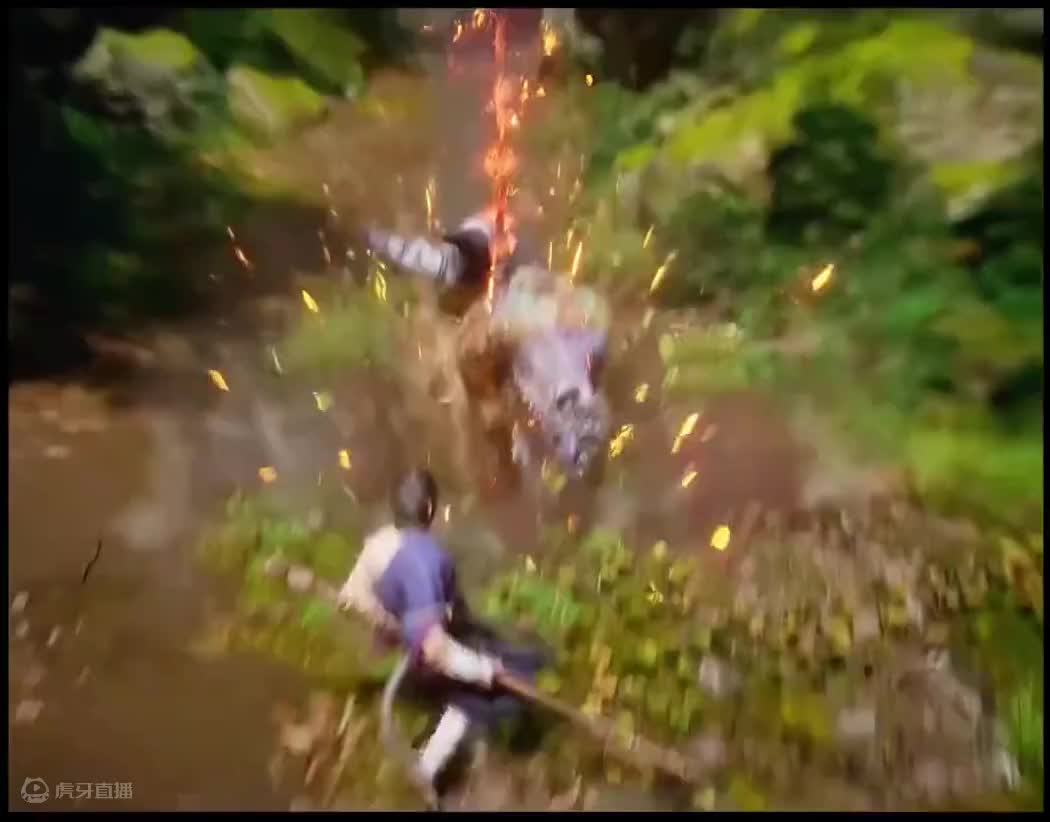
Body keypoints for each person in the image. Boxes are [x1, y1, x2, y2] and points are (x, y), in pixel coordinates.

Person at [337, 468, 544, 799]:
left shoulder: (381, 540)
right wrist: (482, 671)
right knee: (485, 695)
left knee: (496, 644)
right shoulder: (425, 562)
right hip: (419, 642)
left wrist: (388, 621)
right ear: (431, 509)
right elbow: (436, 651)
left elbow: (350, 596)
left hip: (401, 627)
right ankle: (427, 770)